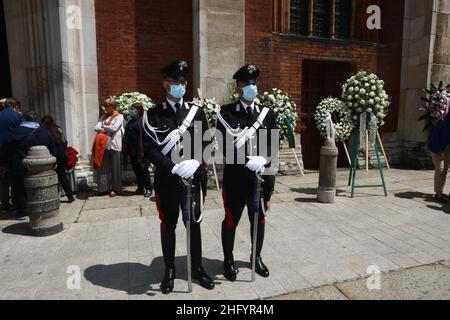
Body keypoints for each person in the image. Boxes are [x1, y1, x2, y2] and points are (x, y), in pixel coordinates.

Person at [142, 60, 214, 294]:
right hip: (168, 181)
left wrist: (195, 162)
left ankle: (198, 267)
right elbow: (149, 149)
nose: (180, 85)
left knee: (194, 224)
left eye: (183, 82)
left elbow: (206, 142)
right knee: (168, 225)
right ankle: (170, 269)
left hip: (193, 180)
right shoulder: (152, 115)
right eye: (175, 82)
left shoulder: (197, 111)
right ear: (165, 84)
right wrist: (172, 167)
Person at [216, 64, 278, 281]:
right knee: (231, 220)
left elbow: (273, 143)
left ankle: (256, 257)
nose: (251, 86)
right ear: (238, 87)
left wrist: (265, 160)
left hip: (261, 179)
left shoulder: (267, 113)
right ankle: (228, 259)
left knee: (258, 220)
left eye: (254, 83)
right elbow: (225, 146)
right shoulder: (226, 112)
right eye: (246, 83)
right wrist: (247, 161)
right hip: (236, 179)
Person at [2, 110, 56, 217]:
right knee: (39, 189)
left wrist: (5, 164)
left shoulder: (15, 132)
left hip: (19, 166)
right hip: (41, 168)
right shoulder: (45, 133)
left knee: (20, 189)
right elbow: (53, 150)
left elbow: (6, 150)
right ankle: (41, 208)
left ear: (23, 119)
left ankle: (23, 211)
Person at [93, 98, 124, 198]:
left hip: (114, 144)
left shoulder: (119, 116)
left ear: (112, 106)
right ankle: (103, 188)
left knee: (115, 167)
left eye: (107, 106)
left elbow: (114, 128)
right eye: (104, 105)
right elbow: (96, 127)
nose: (105, 108)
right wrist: (107, 127)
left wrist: (103, 127)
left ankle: (115, 188)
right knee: (103, 167)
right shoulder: (103, 116)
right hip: (102, 144)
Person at [41, 116, 75, 203]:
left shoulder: (44, 132)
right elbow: (65, 142)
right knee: (63, 177)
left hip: (53, 155)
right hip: (62, 155)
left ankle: (51, 197)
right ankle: (70, 196)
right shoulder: (58, 128)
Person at [123, 103, 153, 198]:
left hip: (141, 150)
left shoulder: (143, 121)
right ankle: (140, 187)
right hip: (132, 150)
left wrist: (143, 149)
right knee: (136, 170)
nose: (131, 111)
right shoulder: (131, 121)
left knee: (144, 170)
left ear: (138, 110)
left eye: (133, 109)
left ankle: (148, 188)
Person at [0, 98, 22, 212]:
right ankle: (15, 204)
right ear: (14, 106)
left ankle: (4, 204)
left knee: (3, 180)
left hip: (1, 153)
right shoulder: (18, 116)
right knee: (15, 179)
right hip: (14, 151)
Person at [428, 111, 450, 203]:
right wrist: (439, 150)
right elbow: (435, 138)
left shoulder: (445, 123)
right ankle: (438, 194)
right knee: (439, 170)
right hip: (438, 149)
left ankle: (440, 191)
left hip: (446, 148)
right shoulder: (442, 122)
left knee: (444, 170)